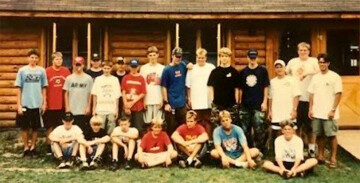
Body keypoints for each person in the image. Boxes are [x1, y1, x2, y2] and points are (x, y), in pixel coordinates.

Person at [308, 53, 342, 168]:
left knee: (331, 135)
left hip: (329, 113)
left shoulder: (335, 76)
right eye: (320, 62)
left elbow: (338, 94)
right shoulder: (315, 77)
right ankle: (321, 155)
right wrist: (310, 109)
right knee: (319, 135)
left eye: (324, 62)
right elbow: (311, 94)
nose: (322, 64)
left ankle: (333, 158)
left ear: (328, 63)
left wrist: (333, 110)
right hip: (317, 111)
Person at [286, 42, 320, 157]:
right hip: (296, 99)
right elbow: (286, 74)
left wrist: (307, 73)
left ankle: (311, 150)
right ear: (297, 51)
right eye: (301, 50)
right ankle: (298, 149)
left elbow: (320, 71)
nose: (303, 52)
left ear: (309, 51)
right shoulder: (293, 62)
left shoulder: (314, 61)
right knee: (297, 126)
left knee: (310, 127)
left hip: (309, 98)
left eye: (305, 50)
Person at [15, 49, 48, 157]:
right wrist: (19, 105)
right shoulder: (22, 71)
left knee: (35, 127)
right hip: (25, 103)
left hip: (37, 103)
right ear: (28, 58)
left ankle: (33, 147)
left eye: (36, 58)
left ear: (38, 59)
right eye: (32, 57)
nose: (33, 59)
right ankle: (26, 148)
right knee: (24, 127)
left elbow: (44, 88)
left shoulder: (41, 71)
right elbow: (19, 89)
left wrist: (44, 103)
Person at [238, 49, 270, 153]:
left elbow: (266, 87)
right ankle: (248, 150)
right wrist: (239, 102)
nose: (252, 59)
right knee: (245, 129)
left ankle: (259, 150)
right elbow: (240, 89)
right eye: (250, 57)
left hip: (258, 104)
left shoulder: (263, 71)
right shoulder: (243, 72)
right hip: (245, 104)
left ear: (257, 57)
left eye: (254, 57)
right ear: (247, 58)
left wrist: (265, 102)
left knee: (259, 128)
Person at [44, 52, 71, 155]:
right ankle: (48, 146)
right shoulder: (47, 71)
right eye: (56, 59)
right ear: (52, 60)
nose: (59, 61)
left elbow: (68, 88)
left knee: (60, 126)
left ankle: (60, 145)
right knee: (50, 126)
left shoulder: (66, 71)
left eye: (60, 59)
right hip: (51, 103)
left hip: (62, 103)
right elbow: (44, 88)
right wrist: (45, 101)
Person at [207, 47, 240, 132]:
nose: (224, 58)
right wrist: (212, 101)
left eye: (226, 56)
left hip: (231, 104)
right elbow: (210, 87)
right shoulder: (214, 72)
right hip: (217, 104)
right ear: (220, 58)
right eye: (222, 56)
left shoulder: (234, 72)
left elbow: (237, 89)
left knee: (232, 127)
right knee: (217, 127)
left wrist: (236, 102)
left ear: (229, 58)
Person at [186, 48, 215, 139]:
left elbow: (214, 84)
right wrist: (189, 98)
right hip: (196, 99)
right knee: (197, 121)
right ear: (196, 58)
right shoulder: (192, 68)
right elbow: (188, 85)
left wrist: (213, 97)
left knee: (208, 121)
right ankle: (198, 141)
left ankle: (209, 141)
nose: (200, 59)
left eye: (202, 58)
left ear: (206, 58)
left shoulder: (211, 67)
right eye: (199, 57)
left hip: (208, 99)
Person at [268, 60, 301, 137]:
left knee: (291, 131)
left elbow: (296, 96)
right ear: (275, 69)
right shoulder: (272, 82)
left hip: (288, 112)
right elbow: (270, 97)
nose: (279, 69)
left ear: (285, 68)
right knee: (278, 132)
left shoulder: (292, 80)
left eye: (281, 67)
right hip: (276, 112)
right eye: (277, 67)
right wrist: (270, 111)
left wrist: (294, 110)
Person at [161, 47, 188, 135]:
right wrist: (166, 103)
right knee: (171, 126)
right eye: (176, 56)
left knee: (182, 126)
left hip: (182, 102)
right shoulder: (167, 70)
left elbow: (189, 66)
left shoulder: (183, 65)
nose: (178, 59)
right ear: (172, 56)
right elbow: (163, 87)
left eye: (180, 57)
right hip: (171, 102)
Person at [63, 56, 93, 133]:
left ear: (83, 65)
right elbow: (66, 93)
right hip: (72, 108)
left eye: (80, 65)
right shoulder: (69, 78)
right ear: (73, 65)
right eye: (76, 65)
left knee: (83, 129)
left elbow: (90, 93)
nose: (78, 67)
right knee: (72, 129)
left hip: (83, 108)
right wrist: (67, 107)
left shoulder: (88, 78)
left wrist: (88, 106)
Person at [91, 61, 121, 134]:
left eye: (108, 68)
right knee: (101, 125)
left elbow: (117, 95)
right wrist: (94, 108)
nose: (106, 70)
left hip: (111, 107)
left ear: (111, 69)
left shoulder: (115, 79)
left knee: (111, 125)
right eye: (105, 68)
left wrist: (116, 109)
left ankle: (110, 142)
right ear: (102, 68)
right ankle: (101, 141)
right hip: (100, 107)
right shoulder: (98, 79)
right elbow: (95, 94)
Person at [140, 46, 165, 126]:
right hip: (148, 99)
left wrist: (163, 99)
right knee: (148, 122)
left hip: (158, 99)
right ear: (147, 56)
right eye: (150, 55)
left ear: (157, 55)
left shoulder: (162, 68)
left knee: (158, 122)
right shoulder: (143, 68)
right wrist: (143, 100)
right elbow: (142, 85)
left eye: (154, 55)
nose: (152, 57)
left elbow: (164, 85)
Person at [121, 58, 147, 135]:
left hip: (138, 106)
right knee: (126, 126)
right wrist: (126, 105)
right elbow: (123, 91)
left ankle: (137, 144)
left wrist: (132, 103)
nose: (133, 68)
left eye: (135, 66)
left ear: (138, 67)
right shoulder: (126, 77)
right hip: (127, 106)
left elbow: (143, 92)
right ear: (129, 67)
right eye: (132, 66)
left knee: (138, 127)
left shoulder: (141, 78)